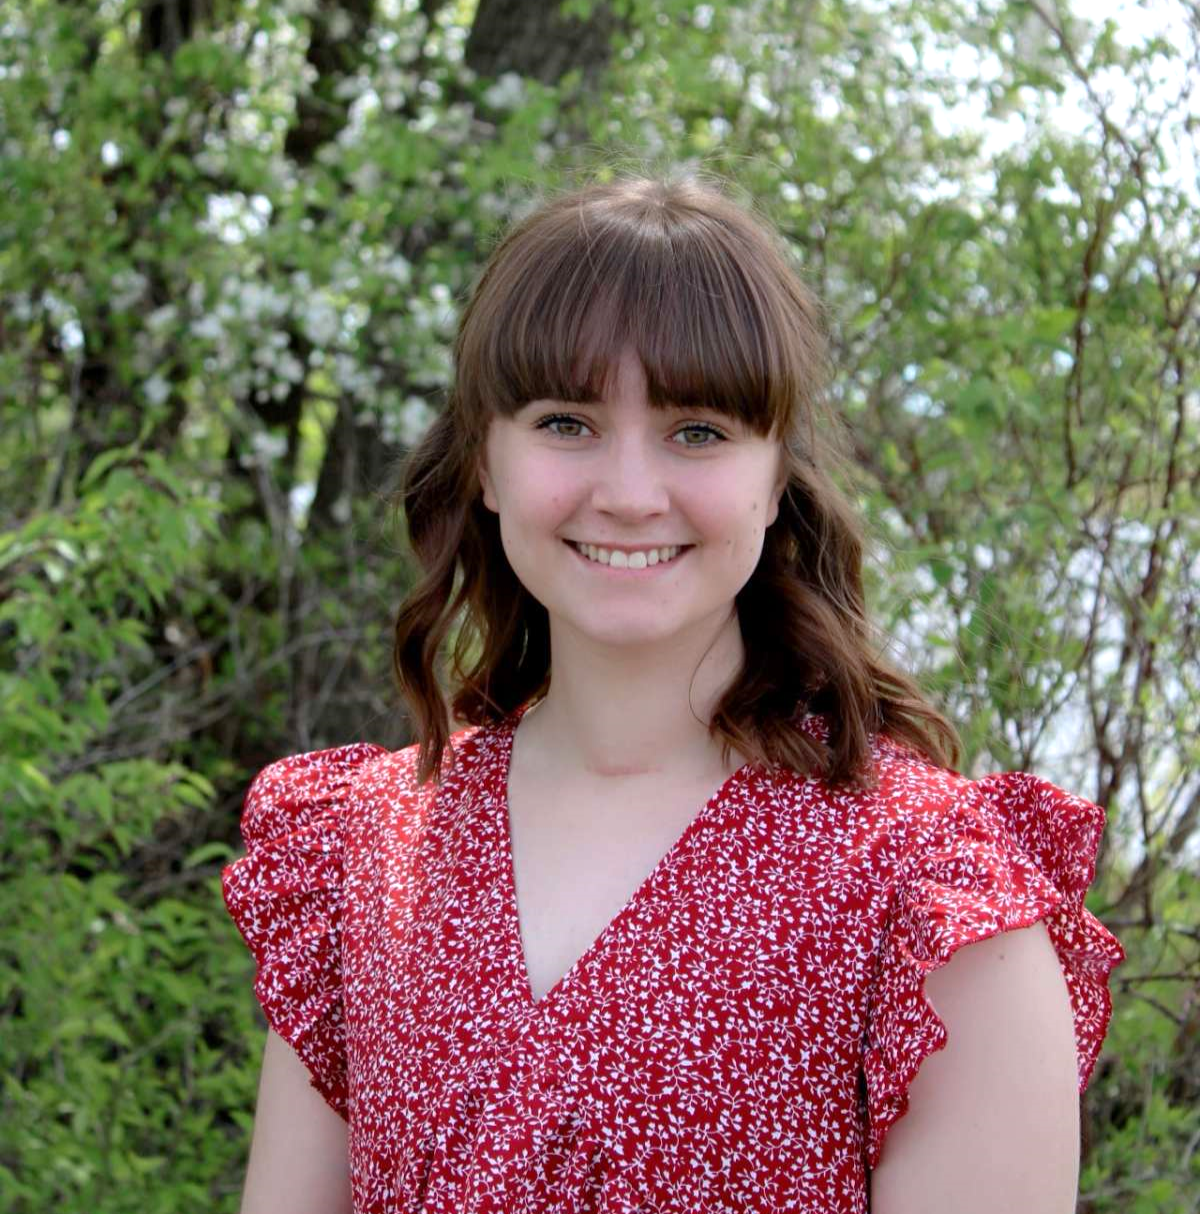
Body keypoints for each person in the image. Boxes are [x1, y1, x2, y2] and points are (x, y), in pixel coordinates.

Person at [221, 170, 1126, 1214]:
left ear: (776, 472)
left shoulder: (930, 895)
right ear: (484, 460)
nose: (631, 492)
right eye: (567, 422)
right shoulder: (362, 850)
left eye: (697, 430)